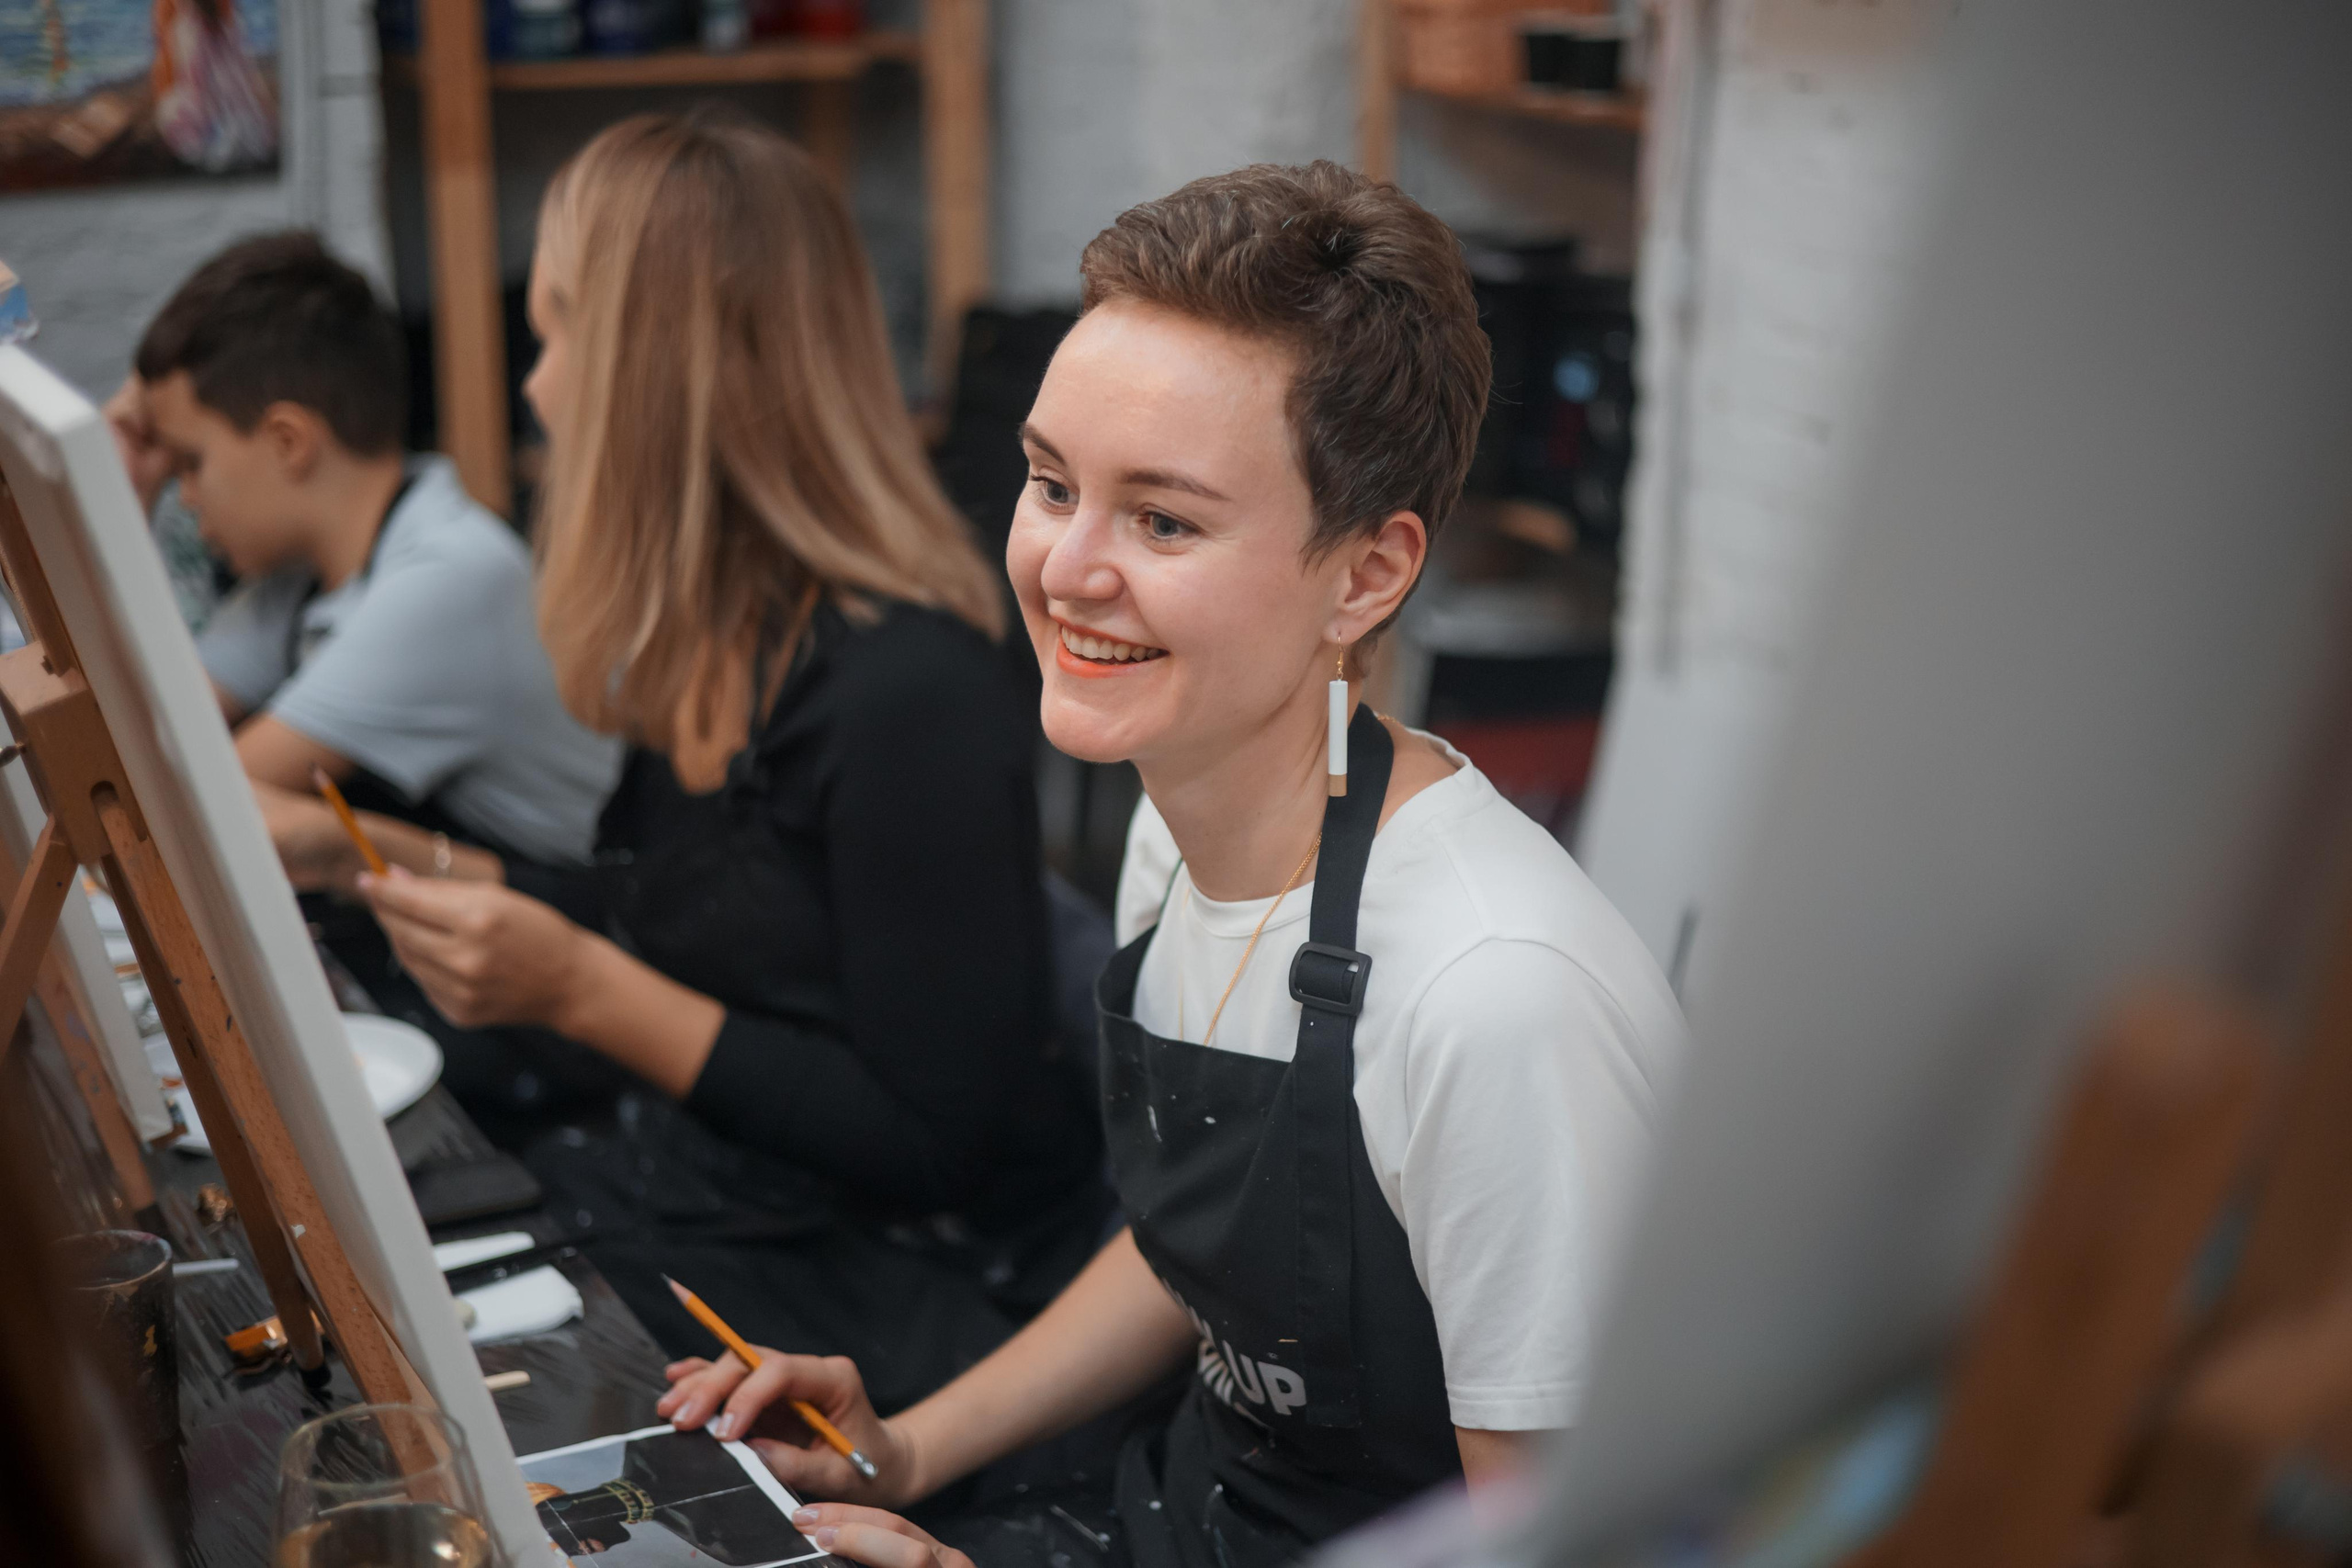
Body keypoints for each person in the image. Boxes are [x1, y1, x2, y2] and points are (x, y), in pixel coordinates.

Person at [657, 162, 1687, 1568]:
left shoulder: (1495, 1002)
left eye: (1164, 519)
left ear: (1367, 576)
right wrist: (908, 1447)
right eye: (1050, 483)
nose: (1066, 568)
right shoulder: (1180, 826)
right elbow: (1214, 1260)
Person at [352, 111, 1106, 1409]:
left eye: (561, 332)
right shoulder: (727, 636)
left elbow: (935, 1144)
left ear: (666, 371)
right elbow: (702, 918)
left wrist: (581, 987)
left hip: (896, 1295)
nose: (536, 385)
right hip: (718, 1197)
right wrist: (410, 856)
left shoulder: (905, 691)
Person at [113, 231, 620, 893]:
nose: (184, 496)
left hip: (602, 930)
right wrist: (123, 493)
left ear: (289, 442)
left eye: (190, 463)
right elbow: (131, 743)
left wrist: (113, 505)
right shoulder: (304, 579)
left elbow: (177, 812)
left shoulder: (447, 578)